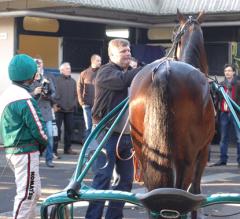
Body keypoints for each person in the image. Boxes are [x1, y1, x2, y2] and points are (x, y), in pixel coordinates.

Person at [85, 39, 142, 219]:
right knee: (102, 179)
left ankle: (114, 216)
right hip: (106, 134)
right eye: (123, 51)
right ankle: (93, 217)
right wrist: (148, 68)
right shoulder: (105, 72)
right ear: (111, 55)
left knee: (125, 181)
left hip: (126, 136)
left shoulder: (131, 73)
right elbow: (122, 81)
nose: (128, 54)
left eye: (129, 50)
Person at [0, 54, 48, 218]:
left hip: (13, 150)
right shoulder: (25, 98)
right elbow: (38, 127)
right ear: (31, 75)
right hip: (25, 152)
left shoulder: (8, 93)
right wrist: (45, 142)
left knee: (33, 191)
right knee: (28, 193)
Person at [212, 64, 240, 166]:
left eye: (229, 71)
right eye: (225, 71)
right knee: (223, 138)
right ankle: (223, 159)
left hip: (236, 113)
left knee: (239, 137)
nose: (227, 72)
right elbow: (217, 99)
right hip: (224, 113)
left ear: (233, 72)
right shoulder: (221, 84)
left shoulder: (238, 84)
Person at [30, 58, 56, 168]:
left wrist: (48, 95)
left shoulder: (47, 78)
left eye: (39, 64)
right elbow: (25, 95)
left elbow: (54, 93)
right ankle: (34, 159)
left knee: (50, 136)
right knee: (34, 138)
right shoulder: (29, 80)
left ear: (42, 66)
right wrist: (34, 92)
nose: (38, 66)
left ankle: (49, 159)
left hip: (46, 111)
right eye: (36, 64)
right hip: (34, 113)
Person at [53, 62, 77, 155]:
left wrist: (73, 104)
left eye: (69, 68)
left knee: (69, 130)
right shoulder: (56, 80)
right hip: (59, 110)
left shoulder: (73, 81)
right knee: (57, 130)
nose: (69, 70)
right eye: (67, 68)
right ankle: (54, 150)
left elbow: (75, 95)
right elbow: (52, 94)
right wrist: (55, 105)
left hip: (70, 110)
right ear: (61, 70)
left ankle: (67, 149)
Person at [77, 54, 101, 141]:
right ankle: (87, 149)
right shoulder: (84, 73)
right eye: (98, 60)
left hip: (98, 105)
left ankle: (95, 148)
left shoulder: (102, 72)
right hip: (87, 105)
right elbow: (79, 88)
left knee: (97, 127)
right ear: (93, 61)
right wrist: (81, 102)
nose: (100, 62)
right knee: (88, 127)